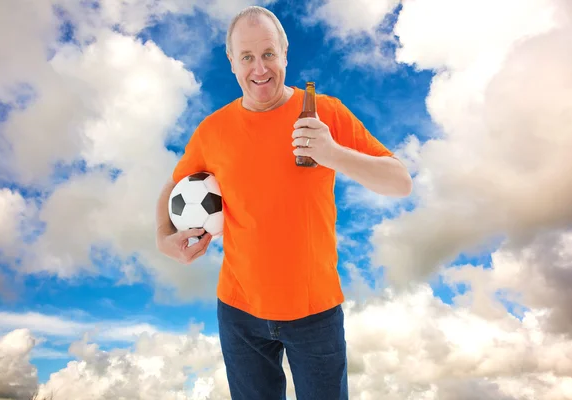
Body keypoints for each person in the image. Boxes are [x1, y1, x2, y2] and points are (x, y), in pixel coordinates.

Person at [155, 5, 412, 400]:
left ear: (285, 54)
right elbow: (172, 186)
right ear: (232, 63)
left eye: (269, 54)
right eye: (247, 57)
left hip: (316, 313)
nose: (260, 69)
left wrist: (333, 153)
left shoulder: (326, 113)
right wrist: (163, 236)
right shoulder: (213, 130)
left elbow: (401, 183)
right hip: (239, 312)